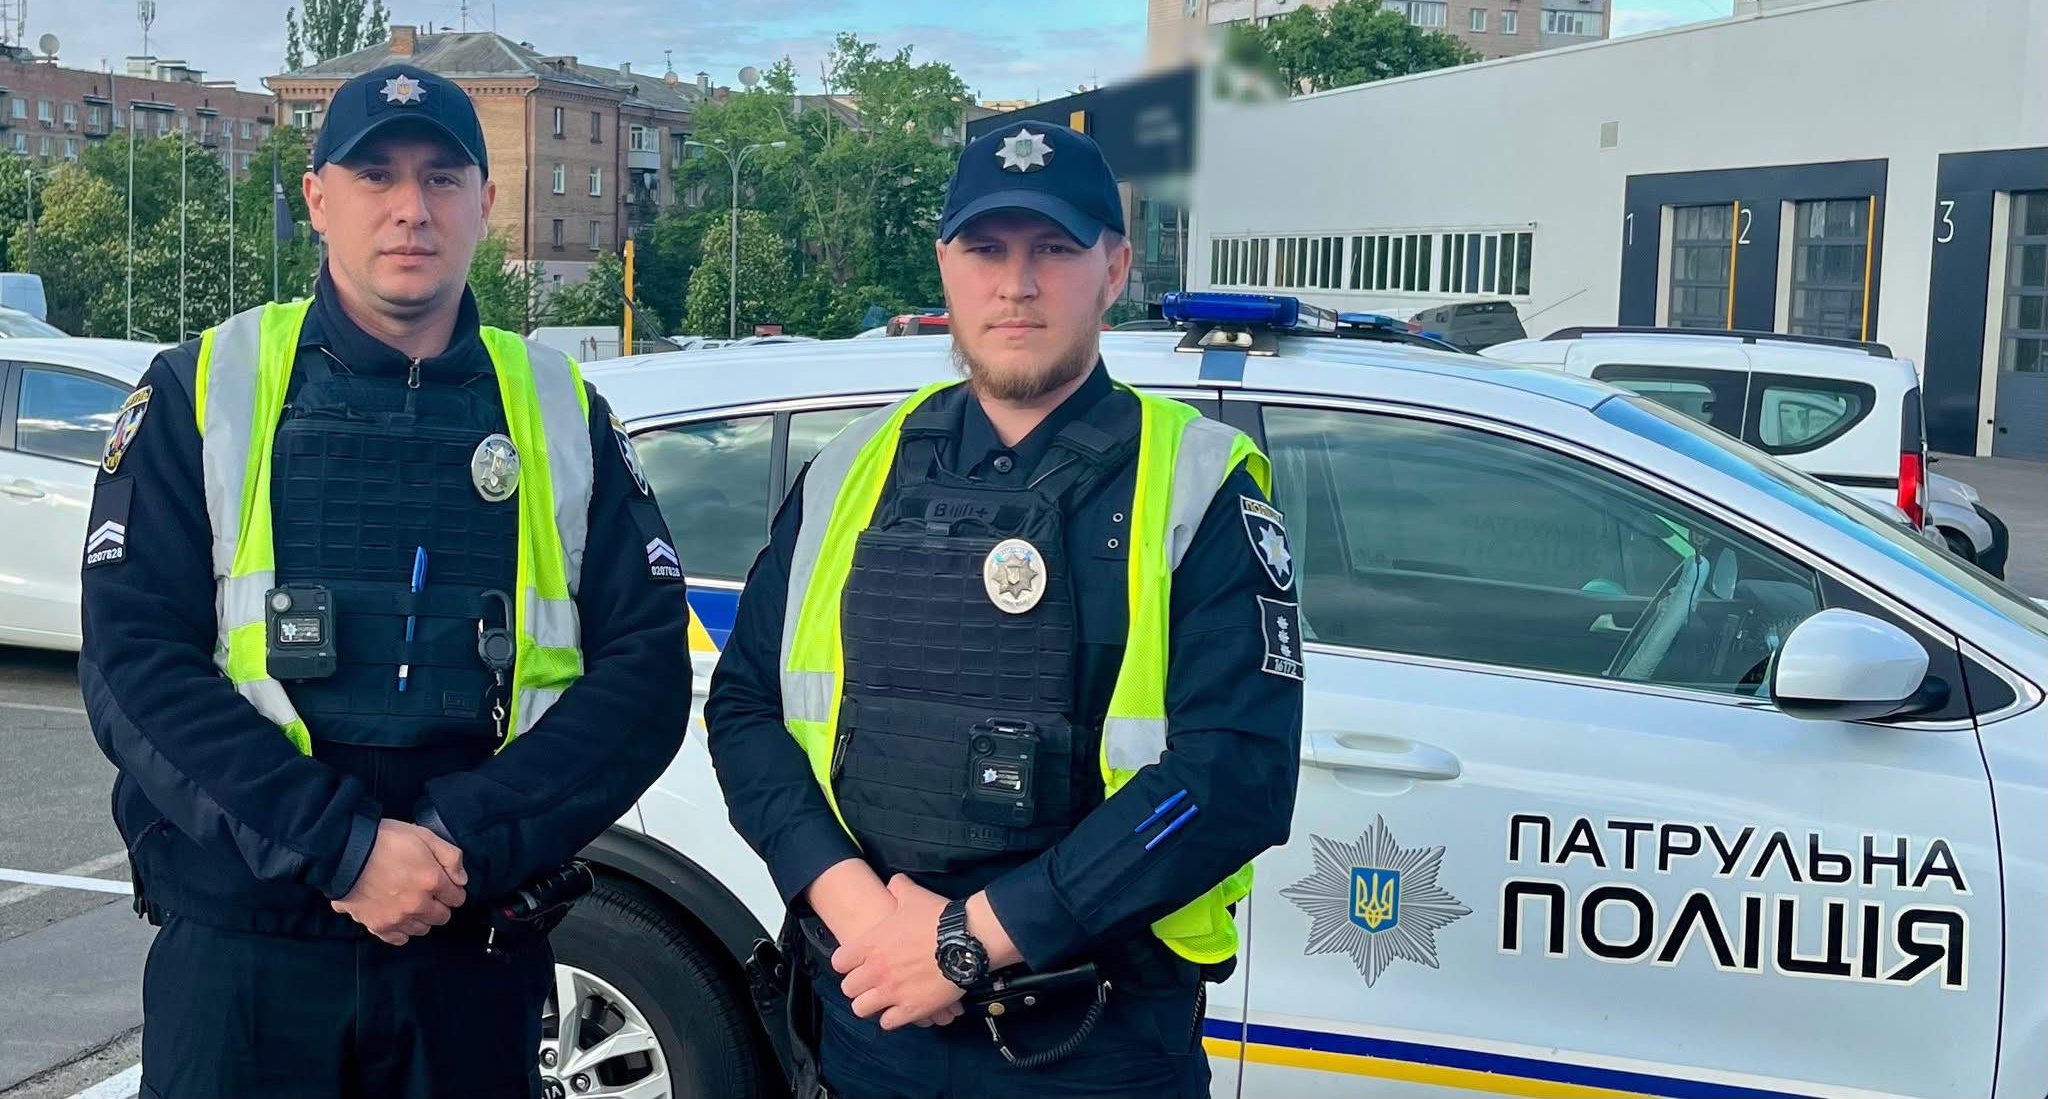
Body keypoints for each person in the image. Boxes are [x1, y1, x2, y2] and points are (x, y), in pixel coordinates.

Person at [79, 63, 693, 1099]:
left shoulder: (559, 410)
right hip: (247, 957)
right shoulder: (203, 387)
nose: (411, 207)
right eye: (376, 175)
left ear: (485, 204)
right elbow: (133, 666)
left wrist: (460, 837)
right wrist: (344, 846)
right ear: (318, 198)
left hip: (469, 950)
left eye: (442, 177)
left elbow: (644, 678)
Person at [707, 121, 1304, 1099]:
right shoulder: (851, 468)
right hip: (868, 1020)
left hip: (1092, 1045)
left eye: (1054, 249)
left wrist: (967, 939)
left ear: (1114, 268)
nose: (1016, 284)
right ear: (945, 266)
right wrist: (861, 914)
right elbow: (744, 710)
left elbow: (1235, 773)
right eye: (985, 249)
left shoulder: (1198, 481)